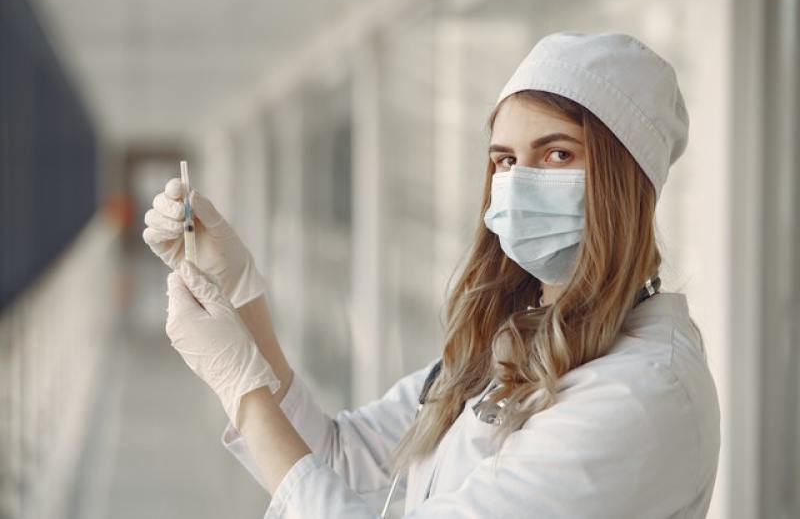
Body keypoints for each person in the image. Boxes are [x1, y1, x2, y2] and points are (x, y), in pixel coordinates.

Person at [142, 31, 721, 518]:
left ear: (627, 183)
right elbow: (344, 458)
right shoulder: (517, 338)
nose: (518, 181)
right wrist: (241, 294)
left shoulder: (640, 395)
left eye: (558, 154)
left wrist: (242, 389)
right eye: (505, 160)